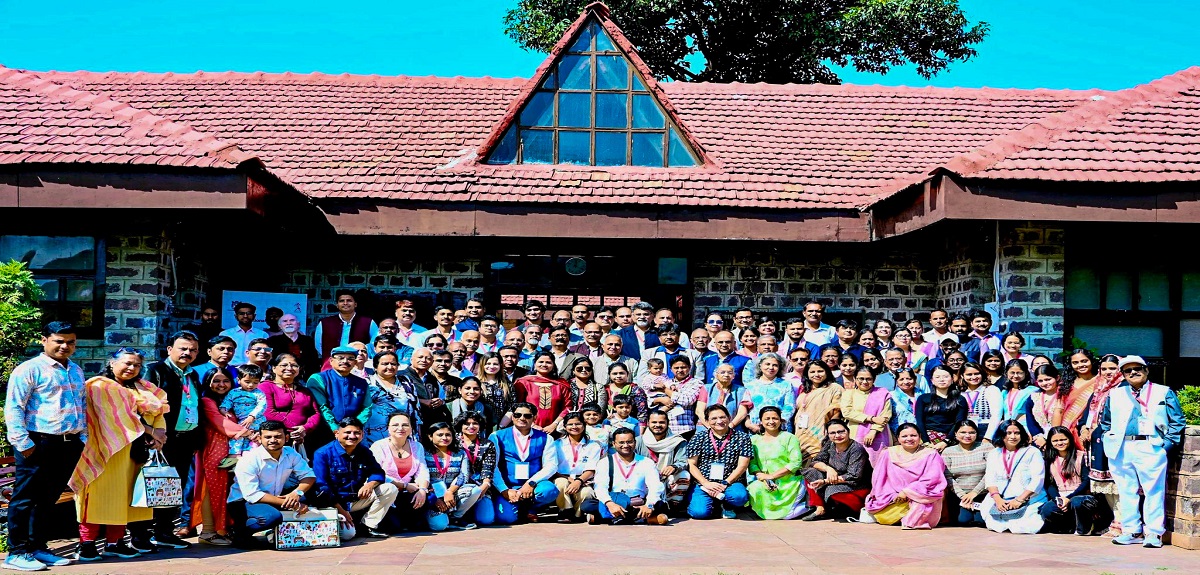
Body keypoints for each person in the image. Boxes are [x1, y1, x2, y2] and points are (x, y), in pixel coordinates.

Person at [69, 348, 168, 561]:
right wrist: (151, 430)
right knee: (96, 498)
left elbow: (158, 411)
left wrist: (159, 434)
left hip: (135, 452)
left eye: (137, 365)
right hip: (104, 449)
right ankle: (86, 544)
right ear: (111, 364)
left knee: (123, 498)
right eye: (127, 363)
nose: (132, 368)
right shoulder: (98, 386)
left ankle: (115, 542)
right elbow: (120, 417)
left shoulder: (143, 388)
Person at [3, 321, 87, 570]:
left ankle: (38, 548)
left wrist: (82, 438)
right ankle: (16, 552)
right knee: (25, 499)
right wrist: (23, 443)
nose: (65, 346)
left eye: (70, 342)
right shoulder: (29, 369)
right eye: (59, 341)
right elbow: (14, 406)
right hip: (37, 442)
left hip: (68, 444)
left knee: (48, 499)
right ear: (44, 340)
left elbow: (81, 405)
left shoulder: (75, 370)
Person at [1100, 355, 1186, 547]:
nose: (1133, 372)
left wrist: (1166, 446)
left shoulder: (1163, 392)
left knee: (1153, 490)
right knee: (1126, 490)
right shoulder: (1115, 394)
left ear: (1146, 370)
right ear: (1123, 375)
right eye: (1128, 370)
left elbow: (1177, 420)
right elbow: (1105, 421)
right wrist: (1109, 438)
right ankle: (1131, 530)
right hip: (1122, 447)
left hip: (1151, 445)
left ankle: (1154, 533)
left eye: (1137, 368)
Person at [141, 331, 205, 550]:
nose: (188, 353)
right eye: (183, 348)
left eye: (193, 349)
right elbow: (144, 404)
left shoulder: (193, 374)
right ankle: (145, 534)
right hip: (162, 438)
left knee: (173, 488)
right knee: (156, 485)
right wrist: (149, 434)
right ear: (170, 350)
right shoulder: (155, 370)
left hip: (186, 439)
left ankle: (165, 532)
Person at [226, 421, 317, 548]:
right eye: (268, 437)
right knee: (272, 517)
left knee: (316, 495)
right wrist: (293, 504)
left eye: (278, 436)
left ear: (286, 438)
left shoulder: (290, 453)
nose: (273, 440)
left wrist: (297, 494)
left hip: (274, 498)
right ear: (259, 438)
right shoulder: (249, 459)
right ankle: (239, 532)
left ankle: (277, 532)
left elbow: (309, 476)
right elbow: (252, 495)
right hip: (244, 502)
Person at [191, 367, 253, 546]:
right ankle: (208, 531)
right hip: (214, 448)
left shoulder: (231, 400)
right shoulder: (206, 401)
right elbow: (220, 423)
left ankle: (222, 530)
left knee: (226, 490)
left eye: (225, 380)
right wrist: (247, 433)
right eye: (216, 381)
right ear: (208, 382)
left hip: (232, 449)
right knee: (212, 489)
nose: (221, 384)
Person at [311, 418, 398, 539]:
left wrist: (369, 484)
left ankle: (368, 525)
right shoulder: (322, 454)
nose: (352, 436)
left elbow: (377, 472)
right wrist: (341, 510)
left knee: (390, 488)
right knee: (348, 535)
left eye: (357, 433)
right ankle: (349, 523)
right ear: (337, 433)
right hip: (333, 503)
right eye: (347, 432)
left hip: (356, 499)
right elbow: (322, 486)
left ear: (362, 435)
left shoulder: (364, 451)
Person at [487, 402, 560, 524]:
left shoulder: (546, 438)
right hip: (508, 486)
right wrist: (504, 490)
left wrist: (531, 483)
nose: (522, 418)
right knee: (506, 519)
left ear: (534, 418)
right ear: (512, 417)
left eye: (527, 416)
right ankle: (519, 509)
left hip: (534, 486)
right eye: (517, 415)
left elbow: (551, 466)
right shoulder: (497, 436)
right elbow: (492, 467)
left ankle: (532, 508)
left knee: (549, 490)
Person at [864, 423, 948, 529]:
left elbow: (932, 479)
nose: (909, 439)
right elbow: (879, 479)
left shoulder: (931, 454)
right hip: (893, 495)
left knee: (918, 511)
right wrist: (894, 495)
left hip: (922, 494)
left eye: (913, 435)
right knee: (884, 518)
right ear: (898, 438)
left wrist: (907, 492)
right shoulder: (888, 453)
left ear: (920, 437)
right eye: (904, 436)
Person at [580, 428, 669, 525]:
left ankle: (606, 518)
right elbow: (601, 487)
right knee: (587, 505)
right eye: (621, 442)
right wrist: (610, 504)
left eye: (629, 442)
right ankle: (643, 519)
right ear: (614, 444)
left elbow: (655, 486)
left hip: (639, 502)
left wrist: (649, 505)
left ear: (635, 443)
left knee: (660, 504)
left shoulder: (646, 462)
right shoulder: (605, 462)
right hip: (615, 501)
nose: (626, 445)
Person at [1079, 354, 1124, 537]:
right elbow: (1087, 415)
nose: (1107, 372)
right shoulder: (1099, 389)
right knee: (1104, 484)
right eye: (1104, 369)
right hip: (1096, 444)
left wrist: (1098, 428)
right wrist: (1084, 428)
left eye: (1112, 368)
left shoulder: (1123, 389)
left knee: (1117, 484)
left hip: (1114, 443)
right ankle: (1115, 520)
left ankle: (1123, 522)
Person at [979, 420, 1047, 534]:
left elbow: (1037, 479)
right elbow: (990, 479)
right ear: (1001, 434)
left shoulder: (1032, 452)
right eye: (1008, 433)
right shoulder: (994, 453)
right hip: (1001, 497)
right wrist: (998, 499)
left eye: (1017, 433)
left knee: (1024, 527)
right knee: (994, 523)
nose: (1013, 436)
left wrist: (1019, 500)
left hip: (1027, 498)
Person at [685, 404, 753, 519]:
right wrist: (706, 483)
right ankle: (714, 504)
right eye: (714, 418)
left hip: (730, 482)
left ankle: (727, 505)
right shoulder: (698, 437)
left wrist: (725, 483)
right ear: (706, 421)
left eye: (722, 417)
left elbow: (743, 465)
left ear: (729, 418)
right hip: (704, 483)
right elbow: (692, 464)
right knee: (699, 513)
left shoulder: (742, 438)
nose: (719, 421)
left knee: (739, 497)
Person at [1039, 426, 1109, 535]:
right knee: (1047, 509)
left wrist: (1069, 498)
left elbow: (1086, 482)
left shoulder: (1081, 456)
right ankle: (1068, 527)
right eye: (1055, 441)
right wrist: (1058, 499)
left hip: (1080, 495)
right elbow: (1049, 484)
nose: (1059, 443)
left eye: (1063, 439)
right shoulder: (1049, 460)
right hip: (1061, 496)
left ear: (1070, 439)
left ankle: (1086, 528)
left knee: (1077, 503)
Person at [368, 412, 431, 532]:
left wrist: (422, 490)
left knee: (426, 504)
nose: (400, 428)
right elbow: (376, 473)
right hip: (386, 493)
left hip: (407, 493)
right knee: (393, 527)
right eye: (395, 425)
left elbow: (422, 471)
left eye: (405, 425)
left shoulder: (417, 446)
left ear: (411, 429)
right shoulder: (379, 446)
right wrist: (404, 485)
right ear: (388, 428)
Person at [799, 419, 872, 521]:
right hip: (835, 479)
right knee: (811, 473)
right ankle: (820, 509)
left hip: (857, 485)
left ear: (848, 431)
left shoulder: (856, 449)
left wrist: (825, 481)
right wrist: (828, 469)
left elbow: (854, 475)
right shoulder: (830, 444)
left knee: (831, 490)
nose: (837, 436)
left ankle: (856, 509)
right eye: (832, 433)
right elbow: (816, 461)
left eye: (841, 431)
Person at [306, 345, 372, 453]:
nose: (345, 361)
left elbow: (367, 408)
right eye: (340, 358)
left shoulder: (362, 383)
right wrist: (336, 429)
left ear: (355, 363)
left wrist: (352, 428)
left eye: (350, 358)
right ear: (331, 361)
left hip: (351, 436)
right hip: (324, 432)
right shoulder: (318, 379)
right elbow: (322, 407)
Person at [747, 407, 809, 520]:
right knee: (754, 488)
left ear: (781, 420)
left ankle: (808, 506)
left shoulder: (789, 437)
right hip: (766, 482)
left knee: (786, 516)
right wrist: (764, 479)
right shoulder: (754, 440)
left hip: (789, 483)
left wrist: (772, 476)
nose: (771, 421)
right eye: (767, 418)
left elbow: (796, 462)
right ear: (760, 421)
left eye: (775, 418)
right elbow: (752, 463)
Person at [422, 422, 484, 531]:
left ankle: (455, 518)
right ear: (430, 437)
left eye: (448, 435)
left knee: (474, 490)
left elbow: (463, 475)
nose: (445, 438)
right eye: (440, 435)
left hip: (453, 493)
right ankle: (434, 516)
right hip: (432, 496)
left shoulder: (460, 453)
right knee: (439, 526)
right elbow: (422, 476)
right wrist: (435, 498)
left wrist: (450, 491)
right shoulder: (424, 453)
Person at [260, 353, 320, 454]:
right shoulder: (265, 387)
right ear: (274, 368)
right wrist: (294, 429)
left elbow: (316, 413)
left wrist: (305, 428)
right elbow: (269, 412)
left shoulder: (305, 390)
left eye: (294, 365)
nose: (289, 368)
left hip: (302, 438)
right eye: (284, 365)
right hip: (276, 438)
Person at [551, 412, 603, 521]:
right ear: (565, 427)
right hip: (562, 477)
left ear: (584, 425)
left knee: (587, 493)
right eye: (570, 424)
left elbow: (591, 469)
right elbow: (552, 467)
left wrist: (578, 481)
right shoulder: (556, 444)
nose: (574, 427)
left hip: (584, 479)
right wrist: (568, 479)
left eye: (578, 424)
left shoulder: (593, 445)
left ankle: (577, 515)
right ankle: (565, 511)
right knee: (561, 484)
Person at [637, 411, 691, 514]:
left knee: (684, 475)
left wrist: (674, 467)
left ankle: (672, 507)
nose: (657, 425)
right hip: (645, 480)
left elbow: (683, 461)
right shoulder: (639, 441)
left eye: (661, 422)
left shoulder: (677, 441)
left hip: (666, 479)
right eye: (654, 422)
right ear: (648, 423)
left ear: (667, 423)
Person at [942, 420, 993, 526]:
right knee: (962, 521)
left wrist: (974, 493)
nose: (967, 435)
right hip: (959, 496)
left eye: (972, 432)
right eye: (963, 432)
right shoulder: (948, 451)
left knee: (982, 521)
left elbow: (991, 473)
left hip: (982, 494)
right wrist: (963, 496)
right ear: (955, 433)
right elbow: (948, 477)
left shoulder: (986, 448)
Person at [365, 351, 421, 444]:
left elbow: (416, 409)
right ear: (375, 367)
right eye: (385, 364)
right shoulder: (367, 383)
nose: (390, 367)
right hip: (374, 434)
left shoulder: (406, 382)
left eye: (393, 364)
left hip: (402, 432)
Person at [839, 367, 892, 463]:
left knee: (878, 464)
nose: (865, 381)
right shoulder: (849, 394)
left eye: (868, 379)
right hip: (855, 434)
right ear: (855, 379)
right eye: (861, 378)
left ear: (874, 379)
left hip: (879, 434)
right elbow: (847, 412)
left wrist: (873, 431)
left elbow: (885, 415)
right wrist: (871, 418)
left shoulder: (882, 393)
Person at [792, 360, 843, 459]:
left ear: (827, 372)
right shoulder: (804, 389)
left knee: (818, 459)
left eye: (820, 371)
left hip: (821, 432)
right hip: (801, 432)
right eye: (812, 372)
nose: (816, 374)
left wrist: (831, 431)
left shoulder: (834, 388)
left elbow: (837, 411)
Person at [455, 411, 497, 526]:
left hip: (479, 486)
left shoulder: (487, 444)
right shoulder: (453, 442)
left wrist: (485, 485)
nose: (471, 426)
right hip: (456, 486)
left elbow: (488, 468)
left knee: (486, 520)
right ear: (460, 425)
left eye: (475, 423)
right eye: (467, 424)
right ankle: (457, 516)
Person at [736, 353, 796, 434]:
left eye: (775, 365)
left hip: (779, 429)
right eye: (767, 364)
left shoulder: (786, 384)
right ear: (760, 365)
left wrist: (776, 422)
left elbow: (789, 407)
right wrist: (749, 424)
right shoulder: (751, 385)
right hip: (756, 428)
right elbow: (745, 407)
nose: (771, 367)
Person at [643, 356, 701, 437]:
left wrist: (665, 390)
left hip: (684, 428)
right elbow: (649, 400)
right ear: (671, 369)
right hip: (663, 428)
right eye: (676, 368)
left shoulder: (695, 383)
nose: (680, 370)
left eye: (683, 367)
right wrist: (660, 399)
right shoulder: (667, 381)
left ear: (690, 367)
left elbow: (687, 400)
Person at [220, 364, 268, 460]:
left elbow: (262, 405)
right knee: (238, 436)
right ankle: (234, 456)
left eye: (255, 382)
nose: (251, 385)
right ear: (239, 380)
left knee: (254, 437)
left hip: (256, 420)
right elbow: (227, 402)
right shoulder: (233, 392)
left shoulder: (258, 393)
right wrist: (224, 410)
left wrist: (252, 416)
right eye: (247, 381)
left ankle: (251, 454)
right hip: (242, 420)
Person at [914, 366, 968, 451]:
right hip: (926, 440)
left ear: (952, 379)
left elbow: (959, 422)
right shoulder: (923, 398)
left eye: (946, 377)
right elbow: (920, 421)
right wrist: (926, 442)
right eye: (937, 377)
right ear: (932, 380)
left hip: (951, 439)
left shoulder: (959, 399)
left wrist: (946, 441)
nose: (941, 380)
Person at [513, 353, 571, 432]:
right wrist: (532, 425)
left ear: (553, 365)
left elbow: (567, 407)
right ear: (535, 364)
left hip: (555, 430)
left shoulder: (561, 385)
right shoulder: (523, 382)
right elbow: (516, 405)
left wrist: (554, 425)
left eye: (548, 362)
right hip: (527, 427)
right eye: (541, 362)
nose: (544, 365)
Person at [313, 290, 379, 360]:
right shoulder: (324, 323)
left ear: (355, 304)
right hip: (331, 364)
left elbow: (375, 344)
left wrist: (363, 357)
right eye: (342, 301)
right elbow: (318, 346)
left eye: (349, 300)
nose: (345, 303)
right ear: (337, 305)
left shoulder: (368, 322)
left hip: (359, 365)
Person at [1025, 363, 1067, 448]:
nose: (1044, 383)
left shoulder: (1065, 396)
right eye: (1040, 381)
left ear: (1057, 378)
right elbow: (1030, 420)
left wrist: (1047, 438)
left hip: (1061, 440)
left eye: (1048, 379)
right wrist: (1038, 437)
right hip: (1039, 441)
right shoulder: (1033, 397)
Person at [994, 359, 1035, 440]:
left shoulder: (1033, 391)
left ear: (1026, 373)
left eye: (1019, 373)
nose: (1016, 376)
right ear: (1006, 373)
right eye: (1012, 373)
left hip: (1026, 430)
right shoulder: (1004, 392)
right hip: (1007, 431)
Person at [961, 362, 1002, 441]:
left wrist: (988, 437)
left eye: (977, 374)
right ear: (962, 376)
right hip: (966, 431)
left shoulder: (991, 389)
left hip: (986, 428)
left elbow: (996, 415)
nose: (973, 377)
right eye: (969, 374)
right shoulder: (961, 393)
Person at [220, 302, 269, 367]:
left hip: (255, 369)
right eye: (241, 314)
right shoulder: (225, 334)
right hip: (231, 368)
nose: (245, 316)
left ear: (254, 316)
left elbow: (267, 354)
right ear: (236, 316)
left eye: (249, 313)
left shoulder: (263, 335)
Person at [477, 351, 514, 429]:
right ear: (482, 365)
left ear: (501, 365)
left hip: (502, 425)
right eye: (488, 363)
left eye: (495, 364)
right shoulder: (476, 382)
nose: (492, 366)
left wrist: (501, 426)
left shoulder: (507, 384)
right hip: (480, 425)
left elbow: (512, 407)